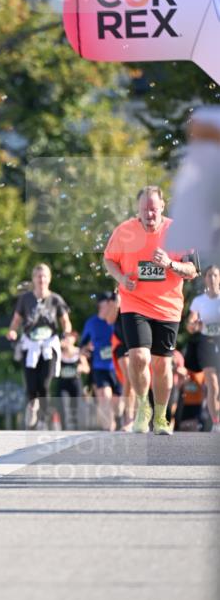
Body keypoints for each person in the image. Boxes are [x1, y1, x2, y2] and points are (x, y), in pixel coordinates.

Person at [103, 185, 198, 435]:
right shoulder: (124, 231)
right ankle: (143, 407)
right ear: (138, 209)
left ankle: (160, 416)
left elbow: (192, 270)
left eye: (154, 209)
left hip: (168, 307)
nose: (150, 214)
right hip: (135, 303)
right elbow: (109, 259)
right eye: (145, 210)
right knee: (139, 357)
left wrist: (169, 263)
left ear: (162, 207)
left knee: (161, 364)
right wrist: (122, 279)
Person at [7, 263, 72, 430]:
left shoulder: (56, 299)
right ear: (33, 279)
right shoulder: (25, 299)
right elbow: (16, 321)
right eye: (38, 276)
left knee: (44, 384)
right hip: (30, 346)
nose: (41, 279)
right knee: (31, 385)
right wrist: (13, 332)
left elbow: (66, 322)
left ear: (49, 279)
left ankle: (43, 418)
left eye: (44, 276)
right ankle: (32, 408)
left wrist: (66, 333)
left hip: (49, 346)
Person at [80, 293, 122, 431]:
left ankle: (118, 421)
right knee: (104, 398)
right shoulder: (91, 323)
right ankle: (109, 430)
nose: (110, 308)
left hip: (118, 368)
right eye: (107, 305)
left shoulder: (118, 321)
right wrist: (86, 349)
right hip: (99, 367)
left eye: (112, 305)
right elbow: (82, 346)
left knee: (118, 407)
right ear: (100, 305)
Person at [187, 264, 220, 431]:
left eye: (215, 275)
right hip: (206, 342)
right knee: (212, 383)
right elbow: (190, 325)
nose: (212, 279)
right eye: (209, 275)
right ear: (205, 279)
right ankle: (216, 423)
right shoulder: (199, 301)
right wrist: (194, 324)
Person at [57, 331, 90, 430]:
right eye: (65, 337)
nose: (67, 339)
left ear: (74, 339)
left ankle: (76, 429)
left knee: (76, 407)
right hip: (63, 384)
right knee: (62, 404)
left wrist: (81, 368)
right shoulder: (59, 353)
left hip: (75, 384)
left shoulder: (78, 353)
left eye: (69, 337)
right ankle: (64, 429)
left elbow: (87, 369)